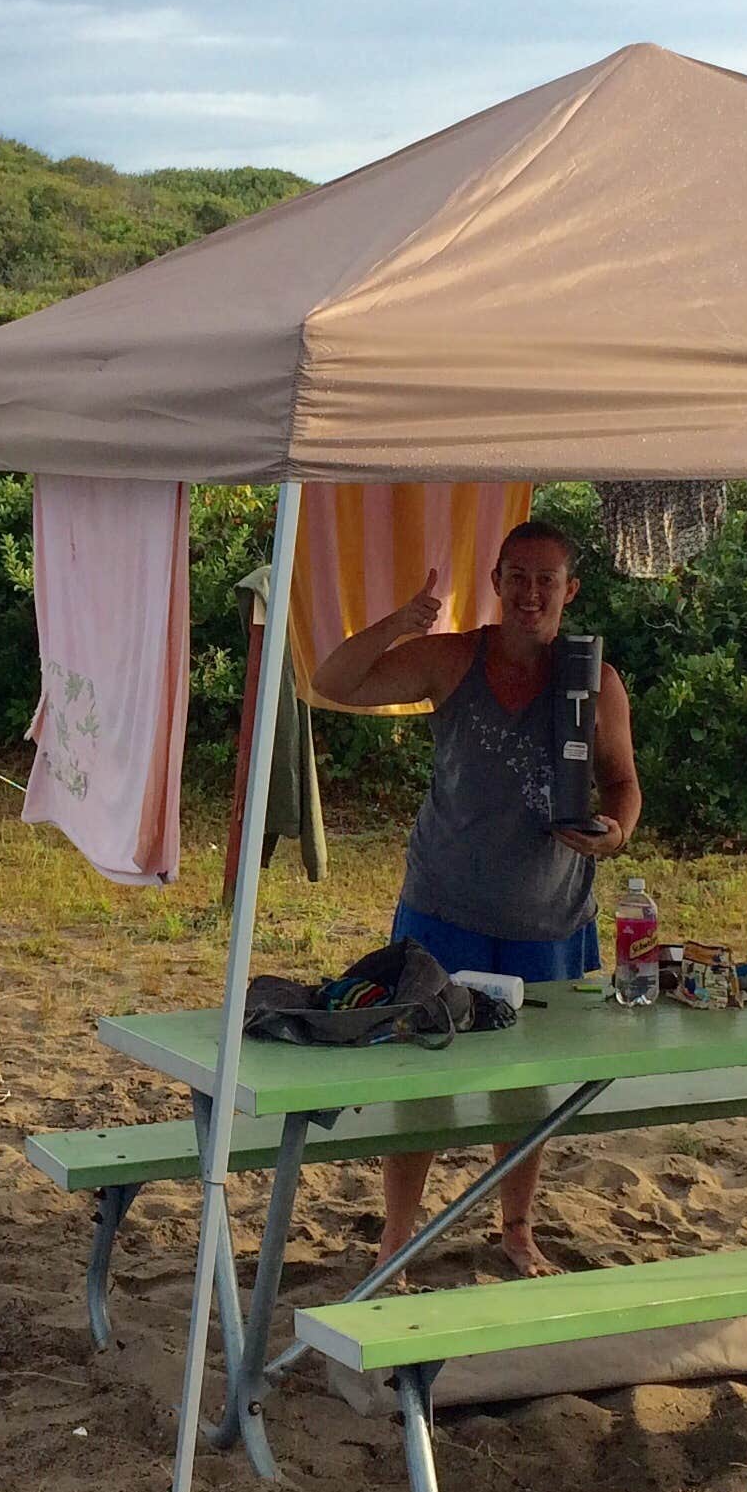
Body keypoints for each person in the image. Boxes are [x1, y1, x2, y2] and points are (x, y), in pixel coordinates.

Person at [313, 517, 640, 1277]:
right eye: (516, 577)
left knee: (523, 1094)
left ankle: (517, 1231)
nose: (530, 594)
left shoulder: (596, 679)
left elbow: (622, 784)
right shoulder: (452, 658)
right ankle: (398, 1234)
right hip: (443, 909)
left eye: (546, 580)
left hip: (549, 918)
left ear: (570, 590)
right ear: (495, 582)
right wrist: (397, 624)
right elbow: (332, 684)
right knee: (422, 1080)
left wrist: (615, 835)